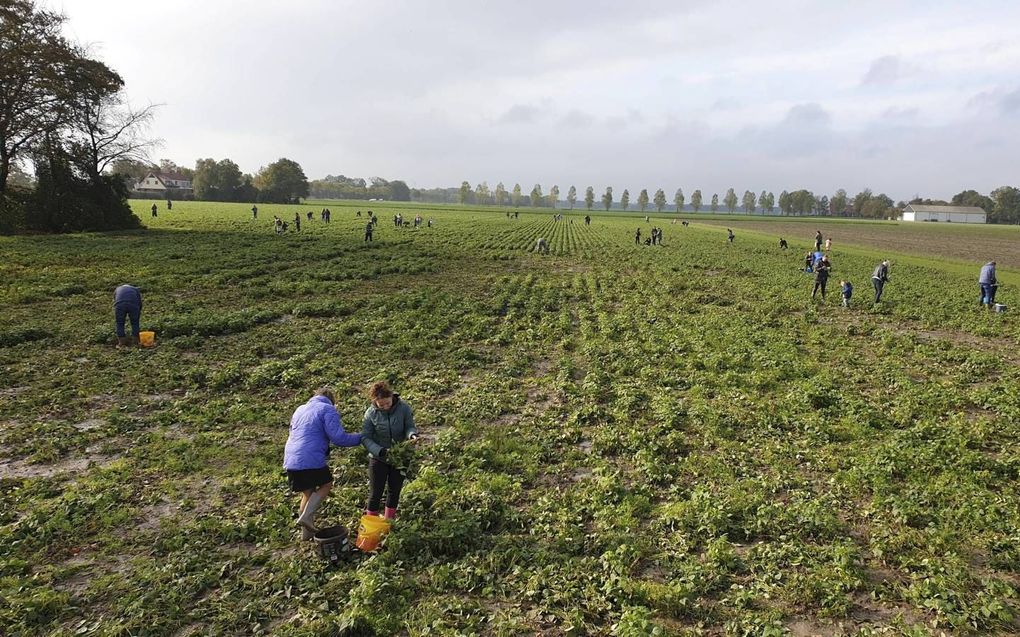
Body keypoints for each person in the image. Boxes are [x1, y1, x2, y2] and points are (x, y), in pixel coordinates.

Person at [283, 388, 362, 540]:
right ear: (331, 400)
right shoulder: (327, 409)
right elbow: (339, 438)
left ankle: (306, 534)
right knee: (326, 484)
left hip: (291, 458)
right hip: (309, 457)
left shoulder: (301, 409)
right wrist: (361, 437)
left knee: (308, 493)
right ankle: (306, 517)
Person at [361, 381, 418, 521]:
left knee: (394, 490)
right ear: (375, 402)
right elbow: (366, 438)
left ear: (392, 397)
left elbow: (409, 426)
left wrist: (412, 435)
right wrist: (379, 451)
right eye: (382, 405)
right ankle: (371, 524)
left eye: (388, 403)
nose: (386, 407)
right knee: (375, 492)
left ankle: (389, 522)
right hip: (379, 457)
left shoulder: (403, 408)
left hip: (400, 456)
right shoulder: (370, 414)